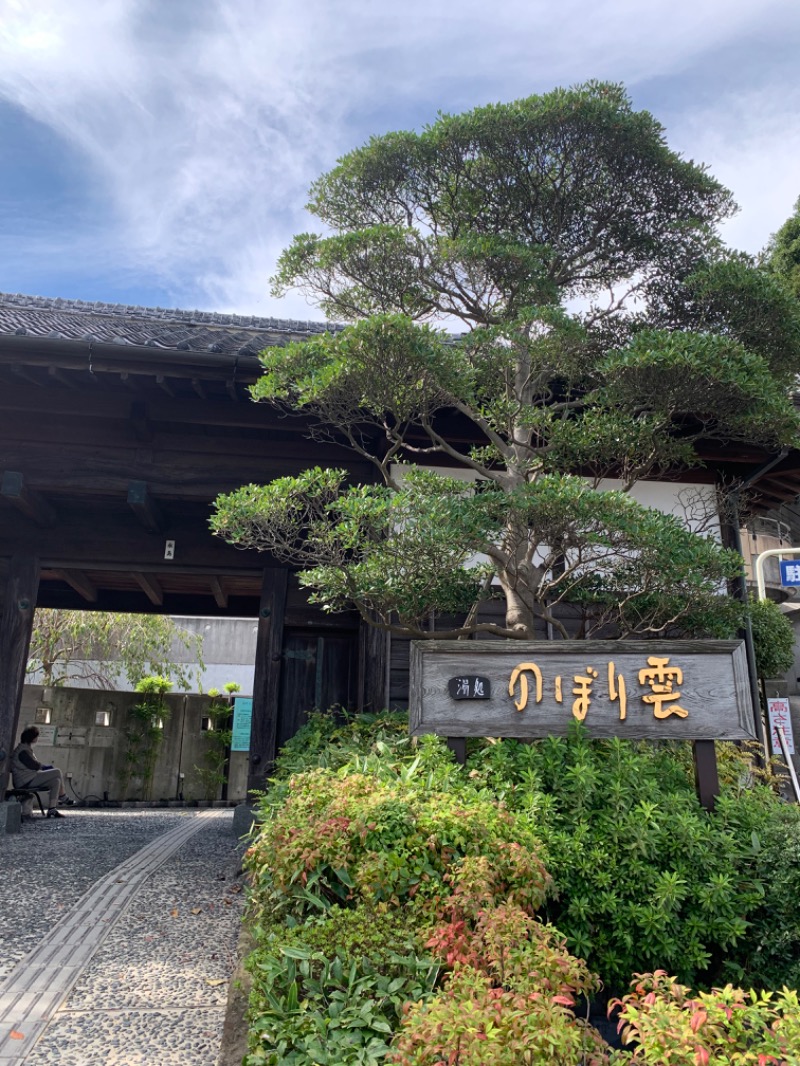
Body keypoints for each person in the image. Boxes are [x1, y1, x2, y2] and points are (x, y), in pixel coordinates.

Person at [10, 726, 69, 818]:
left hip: (28, 778)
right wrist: (44, 767)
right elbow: (34, 766)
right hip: (24, 780)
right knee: (57, 771)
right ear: (32, 738)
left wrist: (44, 767)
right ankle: (63, 797)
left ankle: (52, 809)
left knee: (56, 781)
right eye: (36, 737)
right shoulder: (23, 751)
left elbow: (34, 766)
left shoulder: (24, 748)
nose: (37, 739)